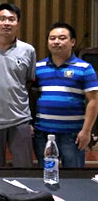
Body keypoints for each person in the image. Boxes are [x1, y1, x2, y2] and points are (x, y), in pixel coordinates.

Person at [0, 3, 36, 167]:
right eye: (2, 19)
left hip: (20, 118)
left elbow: (29, 83)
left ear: (18, 24)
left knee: (24, 167)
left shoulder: (28, 50)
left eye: (11, 19)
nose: (6, 23)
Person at [32, 22, 98, 168]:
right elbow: (33, 98)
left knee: (73, 177)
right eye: (52, 38)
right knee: (47, 175)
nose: (56, 42)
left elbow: (93, 101)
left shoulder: (85, 68)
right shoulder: (38, 67)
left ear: (72, 42)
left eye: (62, 38)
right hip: (43, 134)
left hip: (72, 134)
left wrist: (86, 131)